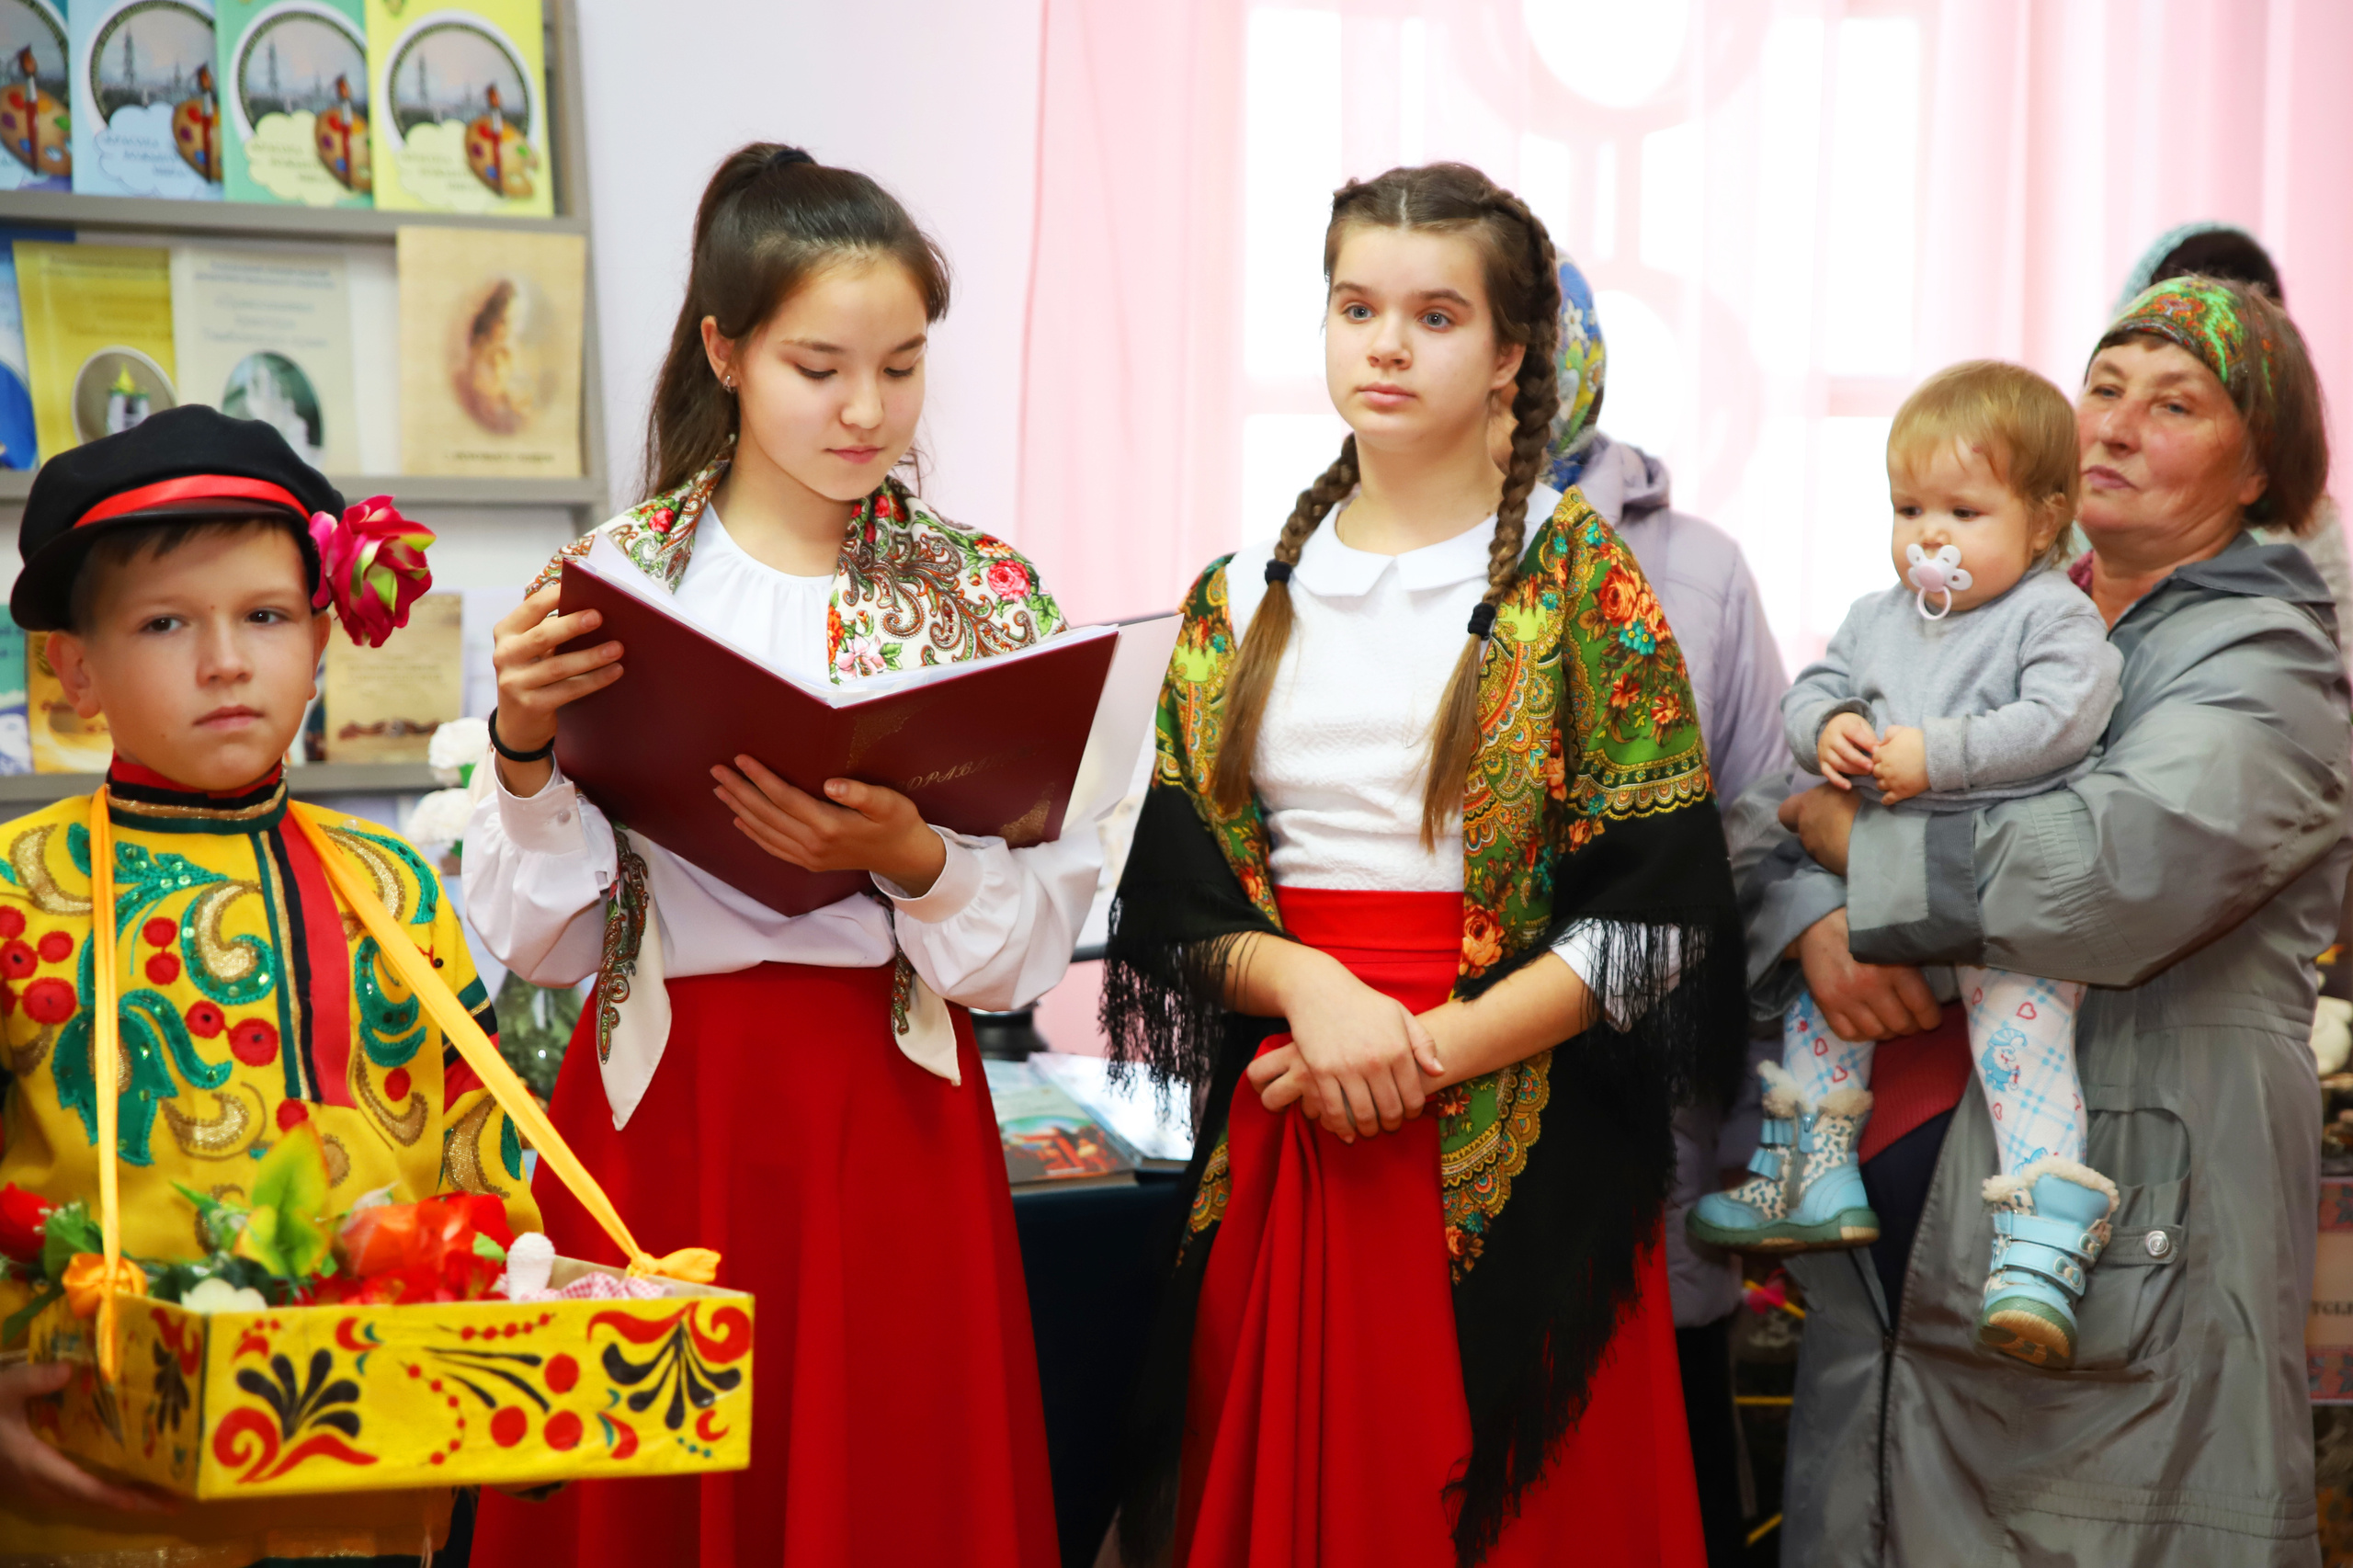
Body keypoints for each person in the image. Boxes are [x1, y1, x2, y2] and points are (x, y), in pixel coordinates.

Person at [1102, 161, 1744, 1568]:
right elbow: (1172, 889)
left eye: (1436, 314)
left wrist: (1424, 1050)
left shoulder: (1585, 582)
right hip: (1298, 1116)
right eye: (1357, 305)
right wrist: (1314, 998)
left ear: (1514, 354)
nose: (1385, 343)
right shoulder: (1235, 595)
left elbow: (1660, 913)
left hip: (1519, 1128)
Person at [463, 146, 1079, 1568]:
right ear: (725, 351)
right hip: (660, 1105)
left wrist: (917, 855)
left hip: (888, 1108)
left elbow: (1023, 951)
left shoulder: (984, 599)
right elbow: (542, 942)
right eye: (820, 366)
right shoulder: (611, 585)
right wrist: (520, 747)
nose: (869, 411)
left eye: (904, 367)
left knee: (883, 1493)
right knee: (649, 1501)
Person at [1745, 275, 2346, 1563]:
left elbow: (2108, 870)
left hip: (2134, 1231)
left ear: (2258, 467)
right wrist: (1814, 924)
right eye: (2103, 390)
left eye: (2173, 403)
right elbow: (1768, 805)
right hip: (1890, 1229)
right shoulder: (1976, 599)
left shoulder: (2272, 657)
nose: (2115, 427)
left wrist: (1860, 847)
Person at [0, 405, 538, 1562]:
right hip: (84, 1484)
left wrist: (521, 1340)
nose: (227, 659)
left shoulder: (393, 887)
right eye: (164, 622)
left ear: (322, 636)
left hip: (375, 1484)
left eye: (265, 614)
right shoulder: (17, 888)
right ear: (75, 668)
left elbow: (477, 1152)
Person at [1693, 362, 2128, 1371]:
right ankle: (1815, 1166)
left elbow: (2064, 716)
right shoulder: (1878, 613)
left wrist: (1942, 753)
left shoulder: (2051, 616)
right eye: (1908, 507)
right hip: (1880, 882)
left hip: (1994, 889)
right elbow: (1815, 690)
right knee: (1819, 997)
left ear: (2043, 520)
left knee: (2022, 1039)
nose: (1928, 537)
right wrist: (1832, 727)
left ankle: (2043, 1237)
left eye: (1963, 510)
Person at [1506, 257, 1790, 1565]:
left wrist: (1750, 1126)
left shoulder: (1703, 572)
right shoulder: (1363, 556)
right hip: (1434, 1101)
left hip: (1646, 1114)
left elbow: (1762, 840)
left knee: (1652, 1486)